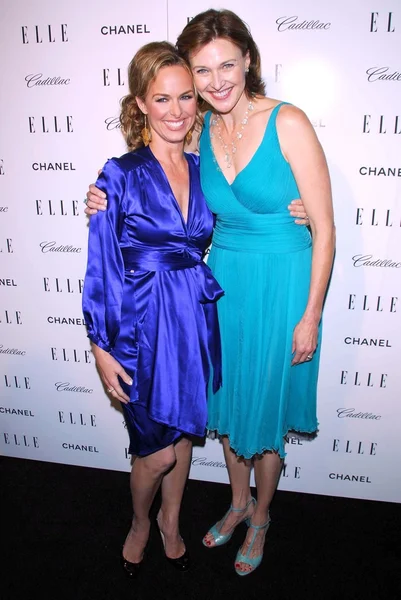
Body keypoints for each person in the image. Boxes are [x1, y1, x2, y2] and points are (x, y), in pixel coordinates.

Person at [85, 9, 335, 577]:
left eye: (227, 63)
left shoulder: (282, 121)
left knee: (263, 410)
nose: (215, 80)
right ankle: (229, 503)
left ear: (249, 59)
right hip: (208, 293)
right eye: (202, 70)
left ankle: (261, 514)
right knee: (224, 409)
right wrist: (100, 197)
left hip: (272, 285)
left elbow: (324, 223)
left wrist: (311, 311)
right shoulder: (196, 131)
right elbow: (146, 175)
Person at [82, 41, 224, 577]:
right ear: (140, 103)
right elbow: (101, 265)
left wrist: (296, 210)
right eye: (161, 99)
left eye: (186, 97)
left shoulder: (204, 167)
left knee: (183, 432)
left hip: (191, 319)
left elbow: (240, 214)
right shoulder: (118, 175)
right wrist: (100, 345)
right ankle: (140, 521)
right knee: (156, 449)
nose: (177, 111)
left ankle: (171, 520)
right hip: (139, 328)